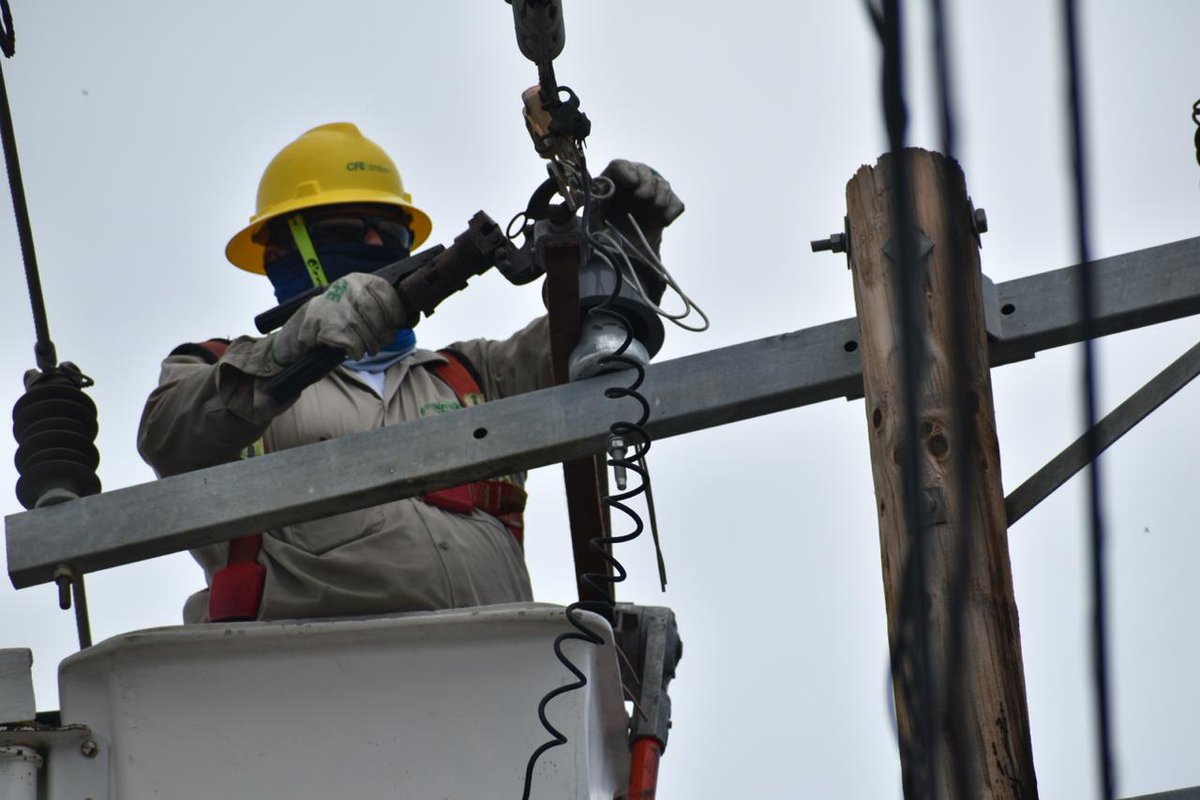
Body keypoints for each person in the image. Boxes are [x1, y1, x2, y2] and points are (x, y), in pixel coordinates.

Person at [137, 122, 683, 623]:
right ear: (281, 250)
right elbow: (168, 435)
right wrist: (290, 349)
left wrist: (629, 248)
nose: (376, 245)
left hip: (501, 680)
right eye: (350, 228)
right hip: (301, 682)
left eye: (391, 232)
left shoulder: (475, 377)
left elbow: (591, 347)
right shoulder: (220, 370)